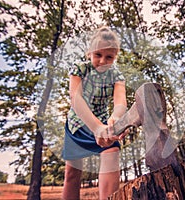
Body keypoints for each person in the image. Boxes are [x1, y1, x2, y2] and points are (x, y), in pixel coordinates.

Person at [62, 26, 128, 200]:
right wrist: (95, 127)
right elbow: (76, 99)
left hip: (103, 123)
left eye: (109, 57)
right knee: (72, 174)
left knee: (111, 153)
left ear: (115, 58)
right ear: (90, 52)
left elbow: (120, 103)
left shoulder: (117, 76)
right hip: (77, 123)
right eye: (98, 55)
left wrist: (116, 118)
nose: (102, 61)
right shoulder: (80, 69)